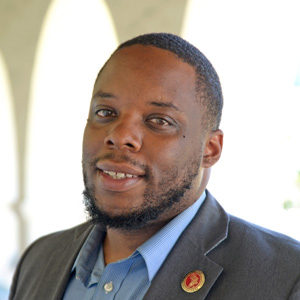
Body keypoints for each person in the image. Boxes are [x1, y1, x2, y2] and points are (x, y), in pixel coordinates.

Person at [9, 33, 300, 300]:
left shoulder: (286, 277)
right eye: (105, 112)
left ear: (210, 150)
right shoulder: (39, 260)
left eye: (159, 121)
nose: (120, 136)